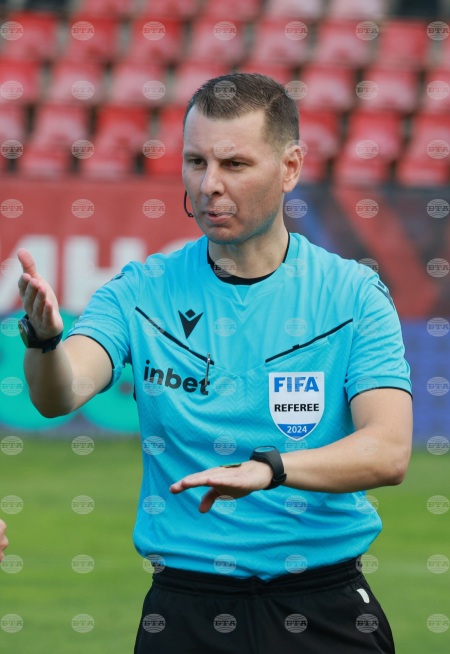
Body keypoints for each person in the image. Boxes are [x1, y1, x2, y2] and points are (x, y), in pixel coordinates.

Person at [17, 73, 412, 654]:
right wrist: (44, 341)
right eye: (196, 162)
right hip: (185, 614)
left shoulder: (352, 295)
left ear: (290, 167)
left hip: (324, 609)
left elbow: (388, 451)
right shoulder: (140, 291)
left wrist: (270, 469)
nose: (209, 185)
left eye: (234, 164)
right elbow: (60, 393)